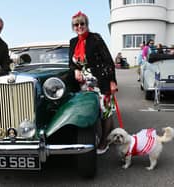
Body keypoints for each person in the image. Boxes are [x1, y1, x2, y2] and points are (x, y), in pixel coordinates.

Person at [69, 11, 118, 154]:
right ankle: (95, 135)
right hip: (83, 84)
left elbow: (108, 61)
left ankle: (104, 141)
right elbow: (71, 63)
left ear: (87, 24)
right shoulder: (73, 42)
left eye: (82, 23)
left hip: (100, 80)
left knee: (105, 111)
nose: (79, 26)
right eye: (76, 24)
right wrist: (75, 70)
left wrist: (112, 81)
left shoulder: (95, 38)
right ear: (73, 27)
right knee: (90, 109)